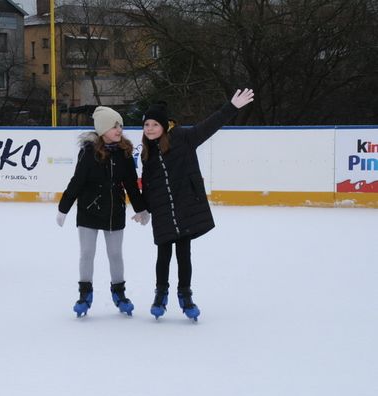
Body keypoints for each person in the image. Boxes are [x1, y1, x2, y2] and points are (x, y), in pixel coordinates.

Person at [141, 88, 254, 320]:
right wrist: (143, 208)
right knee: (163, 256)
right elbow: (148, 185)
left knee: (184, 254)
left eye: (154, 124)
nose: (150, 129)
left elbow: (208, 126)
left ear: (164, 125)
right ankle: (160, 295)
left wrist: (231, 107)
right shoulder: (147, 153)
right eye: (146, 125)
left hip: (185, 208)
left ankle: (185, 295)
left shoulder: (183, 138)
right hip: (163, 212)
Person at [57, 106, 150, 317]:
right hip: (89, 210)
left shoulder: (124, 153)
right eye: (114, 126)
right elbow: (77, 182)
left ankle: (119, 293)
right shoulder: (88, 153)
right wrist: (64, 208)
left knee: (115, 254)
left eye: (120, 126)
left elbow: (131, 186)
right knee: (87, 253)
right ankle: (85, 294)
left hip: (114, 212)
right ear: (102, 129)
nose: (119, 130)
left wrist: (141, 208)